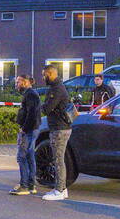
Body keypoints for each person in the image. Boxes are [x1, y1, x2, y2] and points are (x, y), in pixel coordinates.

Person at [40, 64, 73, 201]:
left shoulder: (56, 89)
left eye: (44, 75)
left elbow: (47, 108)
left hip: (59, 128)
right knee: (59, 159)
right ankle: (62, 189)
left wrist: (39, 106)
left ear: (50, 74)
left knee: (58, 160)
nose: (43, 78)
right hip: (61, 127)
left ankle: (59, 190)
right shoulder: (58, 87)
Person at [10, 74, 41, 195]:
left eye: (18, 82)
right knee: (29, 156)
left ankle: (24, 186)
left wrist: (24, 128)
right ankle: (31, 185)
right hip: (32, 129)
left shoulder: (30, 94)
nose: (16, 84)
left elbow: (31, 114)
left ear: (25, 82)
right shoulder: (31, 94)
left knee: (21, 157)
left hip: (29, 131)